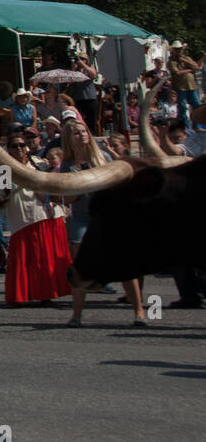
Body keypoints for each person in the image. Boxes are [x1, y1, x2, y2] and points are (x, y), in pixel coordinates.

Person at [62, 118, 148, 327]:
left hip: (107, 216)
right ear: (68, 139)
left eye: (83, 131)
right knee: (80, 266)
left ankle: (139, 312)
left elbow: (120, 186)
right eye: (76, 133)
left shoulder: (104, 157)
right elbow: (67, 198)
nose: (81, 135)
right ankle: (76, 316)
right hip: (82, 217)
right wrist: (82, 178)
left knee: (126, 265)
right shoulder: (67, 165)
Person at [0, 133, 71, 306]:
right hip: (24, 217)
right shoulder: (6, 169)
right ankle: (21, 294)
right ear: (8, 150)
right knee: (25, 258)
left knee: (46, 258)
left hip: (46, 214)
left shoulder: (38, 163)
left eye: (21, 145)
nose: (19, 148)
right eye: (14, 146)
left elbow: (53, 182)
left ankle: (47, 294)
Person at [167, 41, 203, 122]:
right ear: (173, 50)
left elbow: (196, 66)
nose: (179, 51)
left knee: (197, 105)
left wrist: (183, 60)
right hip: (180, 87)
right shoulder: (172, 62)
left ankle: (196, 124)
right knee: (182, 107)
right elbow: (177, 73)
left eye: (180, 49)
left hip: (191, 85)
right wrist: (190, 70)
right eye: (177, 49)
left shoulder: (186, 58)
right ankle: (184, 125)